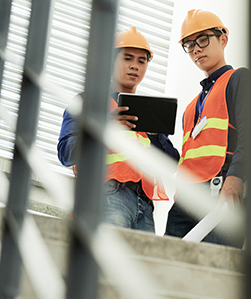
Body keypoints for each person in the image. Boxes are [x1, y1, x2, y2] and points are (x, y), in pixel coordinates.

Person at [58, 26, 179, 233]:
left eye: (141, 61)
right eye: (127, 58)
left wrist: (156, 133)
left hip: (144, 205)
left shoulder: (147, 112)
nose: (134, 66)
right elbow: (65, 153)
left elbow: (171, 163)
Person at [165, 9, 248, 246]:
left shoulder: (238, 79)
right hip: (184, 201)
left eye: (202, 39)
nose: (196, 49)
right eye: (189, 45)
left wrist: (235, 177)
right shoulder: (191, 107)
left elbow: (250, 134)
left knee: (213, 263)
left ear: (223, 39)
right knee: (168, 262)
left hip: (219, 190)